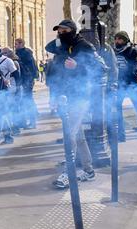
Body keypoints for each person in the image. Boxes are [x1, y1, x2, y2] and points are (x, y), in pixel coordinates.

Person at [45, 19, 105, 189]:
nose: (61, 33)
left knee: (69, 135)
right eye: (59, 31)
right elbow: (48, 47)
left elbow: (101, 68)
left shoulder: (85, 46)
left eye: (64, 31)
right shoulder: (63, 46)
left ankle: (69, 173)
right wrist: (59, 39)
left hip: (81, 97)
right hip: (67, 97)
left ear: (72, 30)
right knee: (78, 136)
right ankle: (88, 170)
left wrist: (78, 66)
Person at [113, 31, 137, 141]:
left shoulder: (132, 51)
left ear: (125, 40)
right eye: (116, 39)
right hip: (119, 85)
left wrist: (124, 71)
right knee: (117, 108)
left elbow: (134, 66)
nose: (117, 41)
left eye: (120, 39)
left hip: (131, 84)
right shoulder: (114, 51)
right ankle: (121, 134)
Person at [15, 38, 39, 129]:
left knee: (28, 101)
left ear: (21, 44)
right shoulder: (18, 53)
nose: (15, 45)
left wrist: (29, 80)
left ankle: (32, 122)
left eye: (16, 44)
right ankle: (23, 122)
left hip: (27, 80)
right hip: (22, 80)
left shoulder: (26, 53)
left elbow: (31, 67)